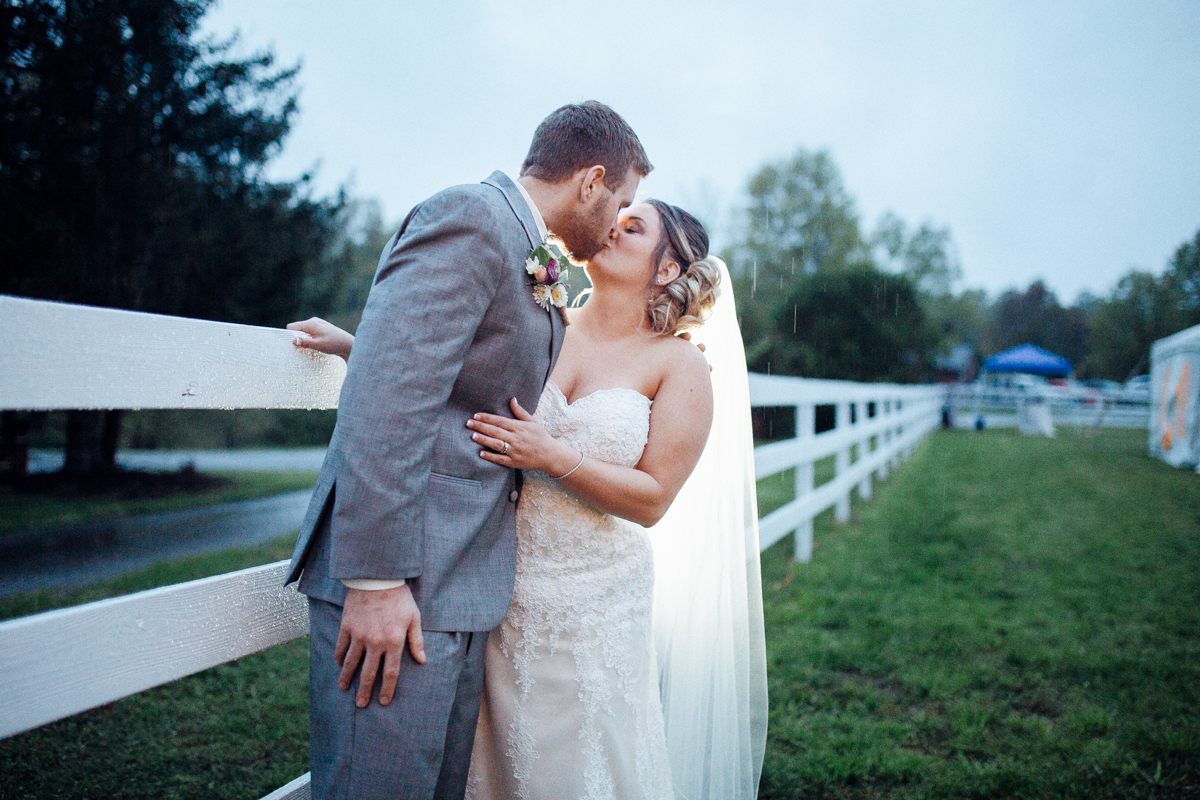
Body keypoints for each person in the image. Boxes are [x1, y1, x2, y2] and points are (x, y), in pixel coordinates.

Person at [293, 200, 768, 799]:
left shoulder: (680, 367)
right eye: (619, 215)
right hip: (499, 584)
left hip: (595, 599)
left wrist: (552, 457)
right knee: (487, 761)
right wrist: (357, 348)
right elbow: (450, 378)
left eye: (636, 226)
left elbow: (653, 499)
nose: (615, 224)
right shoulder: (547, 321)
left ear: (668, 269)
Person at [284, 101, 650, 800]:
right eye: (621, 203)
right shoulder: (471, 218)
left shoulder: (529, 248)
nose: (614, 224)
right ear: (591, 181)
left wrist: (365, 350)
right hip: (402, 582)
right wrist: (375, 581)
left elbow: (447, 376)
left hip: (457, 583)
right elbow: (390, 396)